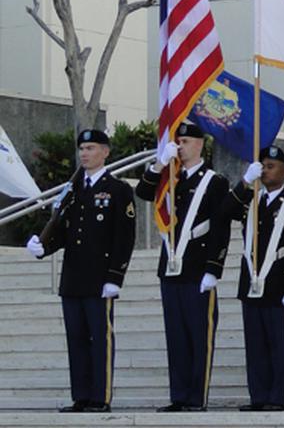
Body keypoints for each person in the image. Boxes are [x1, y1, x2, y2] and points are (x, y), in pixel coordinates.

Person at [25, 129, 136, 413]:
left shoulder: (118, 189)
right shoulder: (73, 190)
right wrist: (44, 247)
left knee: (100, 339)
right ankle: (82, 396)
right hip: (73, 278)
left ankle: (101, 397)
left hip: (100, 279)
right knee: (76, 339)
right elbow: (63, 231)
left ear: (105, 152)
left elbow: (124, 238)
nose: (84, 153)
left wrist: (115, 277)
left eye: (91, 147)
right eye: (82, 148)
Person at [134, 121, 230, 412]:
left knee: (198, 335)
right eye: (178, 141)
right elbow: (143, 193)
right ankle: (179, 396)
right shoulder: (168, 178)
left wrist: (214, 268)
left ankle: (196, 397)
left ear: (200, 145)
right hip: (171, 266)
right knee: (175, 336)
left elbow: (220, 228)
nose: (181, 146)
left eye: (186, 141)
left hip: (198, 267)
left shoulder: (214, 182)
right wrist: (157, 165)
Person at [221, 145, 284, 412]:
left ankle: (277, 397)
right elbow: (224, 212)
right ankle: (258, 396)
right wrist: (245, 182)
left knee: (278, 346)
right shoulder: (250, 202)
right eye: (263, 166)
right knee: (256, 346)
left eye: (271, 166)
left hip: (279, 285)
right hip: (251, 284)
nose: (266, 170)